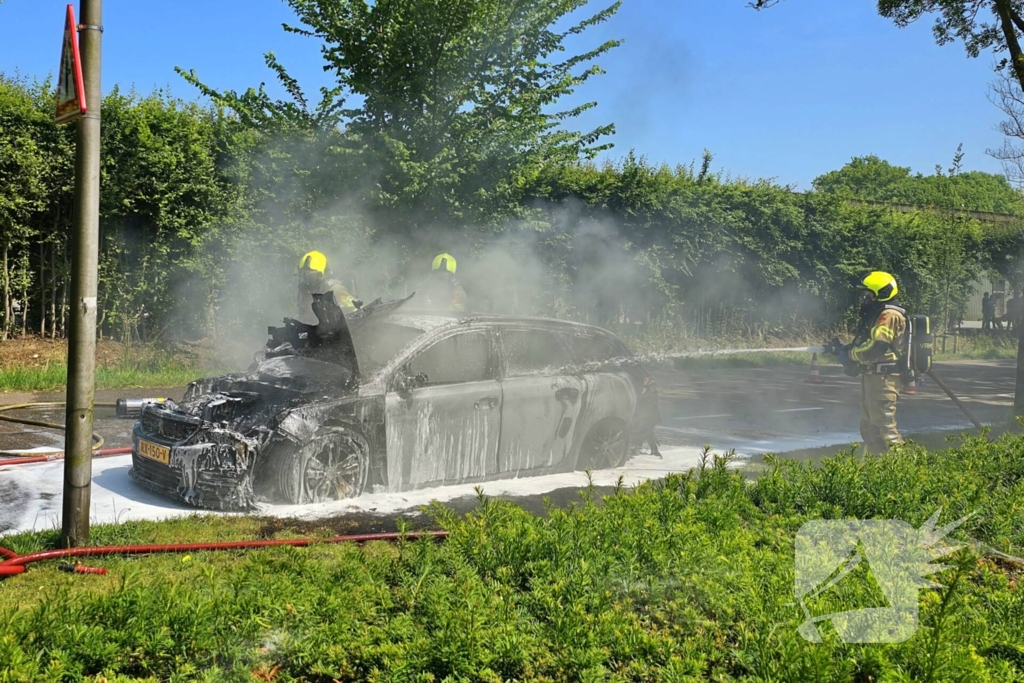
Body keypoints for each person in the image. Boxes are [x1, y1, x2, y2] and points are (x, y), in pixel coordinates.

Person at [828, 271, 907, 454]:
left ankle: (904, 468)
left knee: (886, 431)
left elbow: (877, 348)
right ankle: (877, 468)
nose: (865, 298)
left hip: (885, 380)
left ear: (882, 293)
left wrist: (851, 355)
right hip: (874, 377)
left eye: (868, 294)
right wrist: (846, 350)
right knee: (870, 430)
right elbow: (868, 344)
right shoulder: (880, 314)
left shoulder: (889, 315)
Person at [296, 250, 359, 323]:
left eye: (310, 276)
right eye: (302, 275)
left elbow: (357, 315)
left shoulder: (335, 290)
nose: (306, 280)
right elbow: (305, 317)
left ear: (322, 276)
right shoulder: (306, 293)